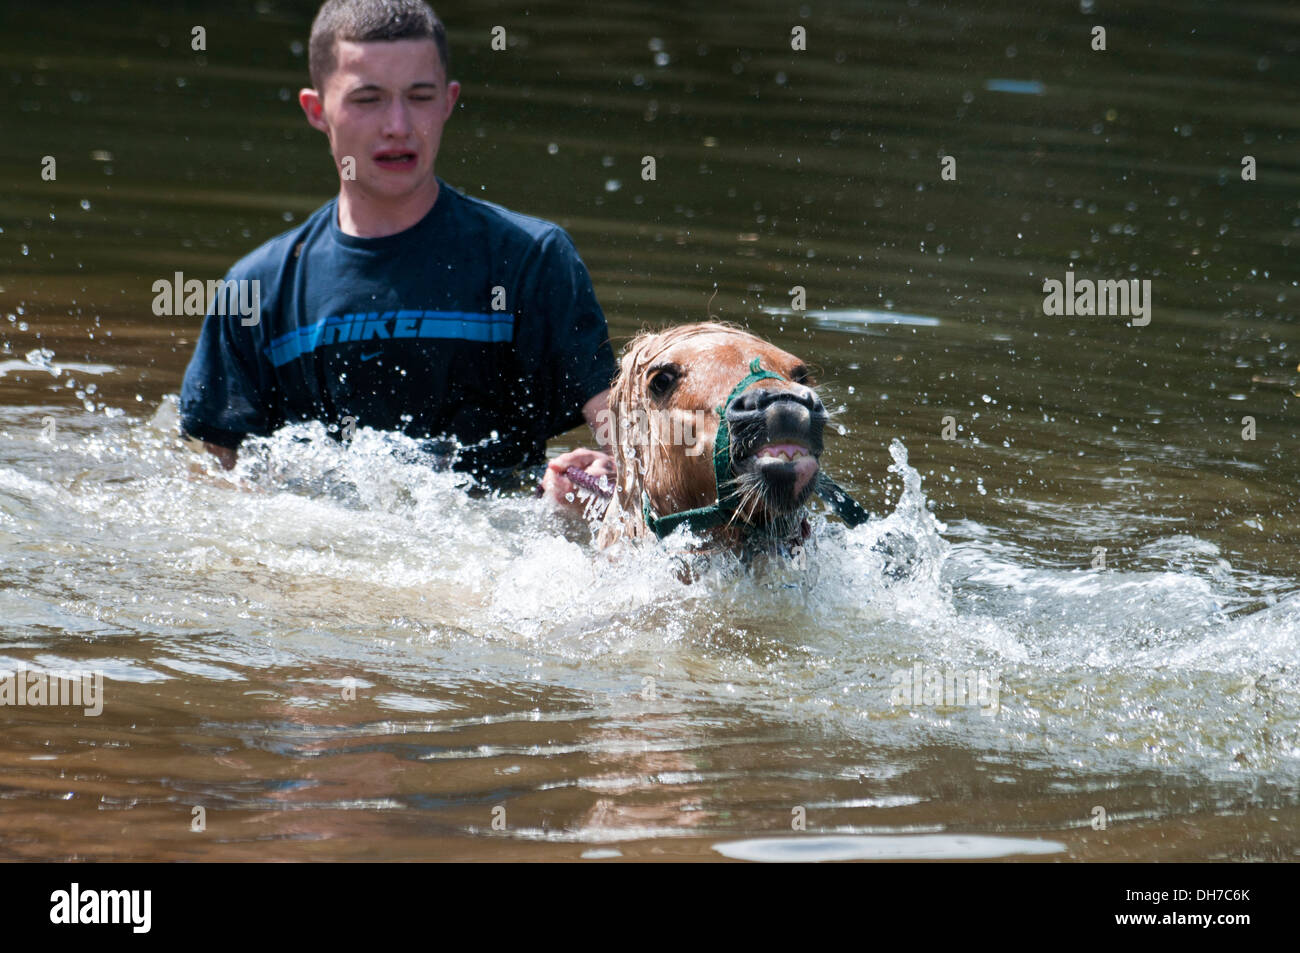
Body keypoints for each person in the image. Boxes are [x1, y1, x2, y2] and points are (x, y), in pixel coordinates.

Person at [179, 0, 615, 509]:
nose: (398, 125)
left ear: (449, 101)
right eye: (368, 99)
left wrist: (605, 477)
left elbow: (627, 440)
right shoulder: (255, 290)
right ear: (316, 110)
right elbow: (212, 493)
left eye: (419, 96)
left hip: (492, 564)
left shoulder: (530, 260)